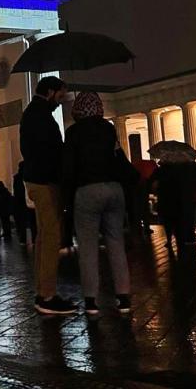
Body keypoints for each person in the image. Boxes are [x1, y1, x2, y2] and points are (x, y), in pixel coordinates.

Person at [63, 91, 132, 315]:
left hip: (87, 190)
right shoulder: (108, 128)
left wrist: (67, 196)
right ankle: (123, 297)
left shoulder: (73, 132)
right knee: (115, 243)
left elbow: (69, 167)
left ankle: (91, 300)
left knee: (88, 247)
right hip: (113, 188)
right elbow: (119, 158)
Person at [19, 76, 75, 315]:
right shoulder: (40, 117)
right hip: (45, 181)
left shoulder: (34, 114)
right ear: (50, 92)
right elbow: (49, 151)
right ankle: (47, 295)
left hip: (36, 178)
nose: (61, 102)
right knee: (51, 237)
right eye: (60, 96)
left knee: (44, 237)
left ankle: (43, 290)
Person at [13, 162, 36, 246]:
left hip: (21, 203)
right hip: (29, 201)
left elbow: (16, 192)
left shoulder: (16, 178)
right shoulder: (29, 175)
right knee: (33, 222)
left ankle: (23, 240)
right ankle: (34, 239)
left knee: (22, 223)